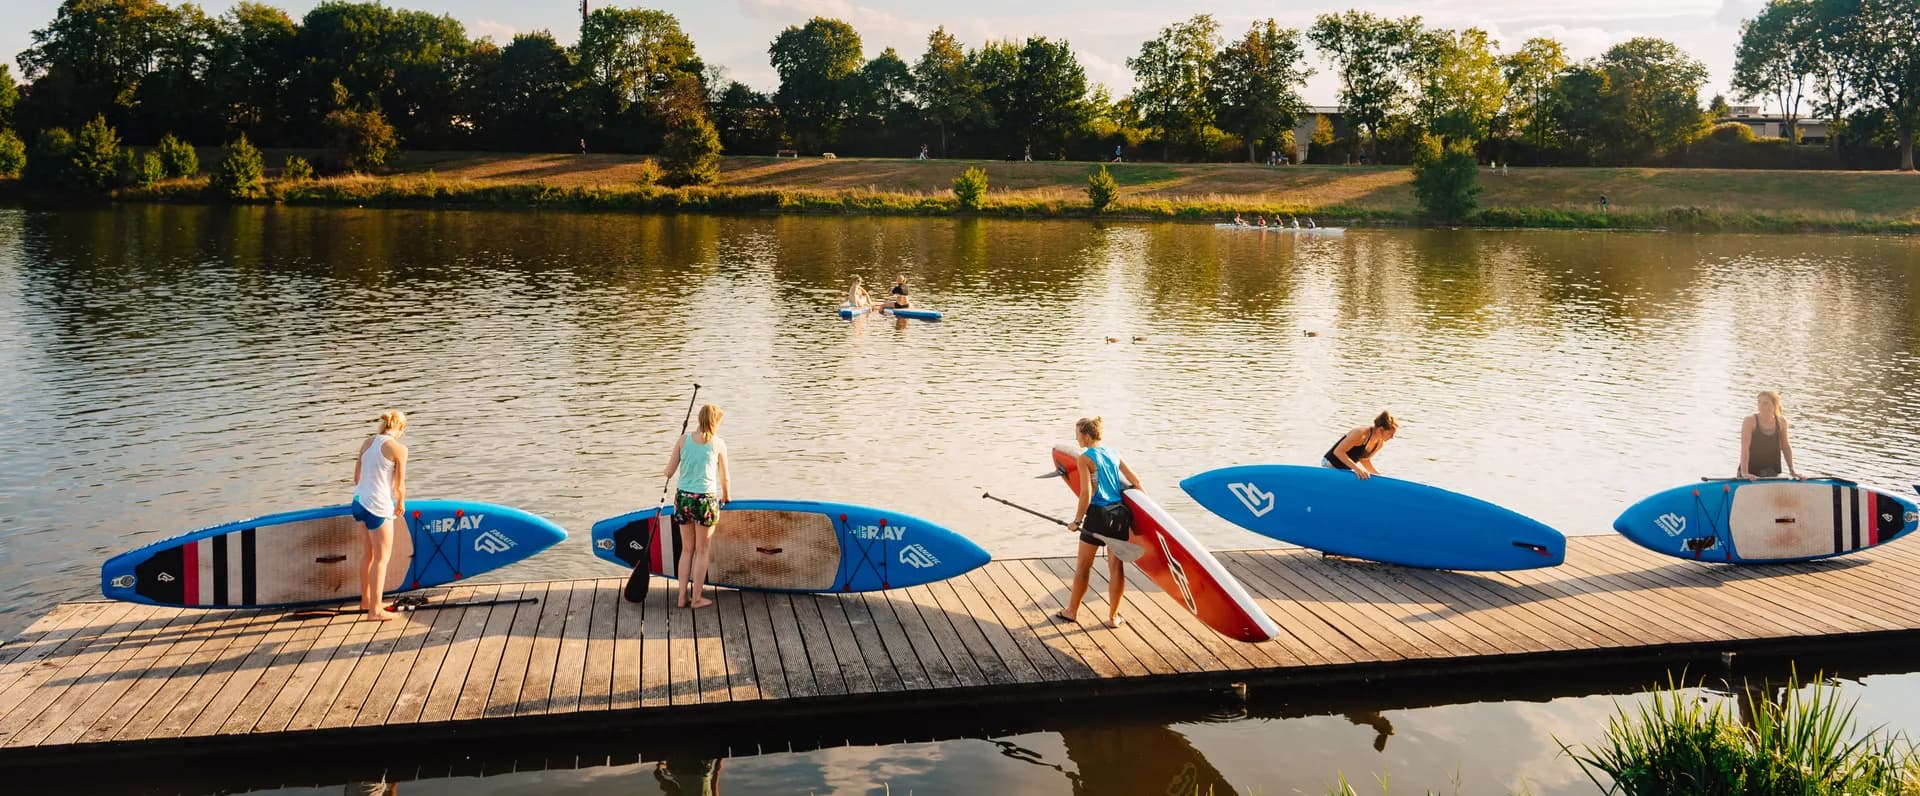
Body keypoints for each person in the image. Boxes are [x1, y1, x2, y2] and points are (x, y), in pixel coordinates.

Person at [1059, 416, 1142, 629]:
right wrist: (1143, 516)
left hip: (1097, 516)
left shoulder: (1085, 458)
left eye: (1077, 434)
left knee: (1083, 567)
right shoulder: (1114, 453)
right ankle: (1113, 617)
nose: (1076, 439)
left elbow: (1086, 494)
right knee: (1116, 568)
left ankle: (1071, 611)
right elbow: (1135, 481)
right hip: (1119, 516)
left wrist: (1077, 521)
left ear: (1086, 436)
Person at [663, 404, 730, 608]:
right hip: (705, 501)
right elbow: (725, 477)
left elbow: (668, 472)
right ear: (715, 422)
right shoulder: (718, 443)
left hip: (683, 499)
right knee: (702, 550)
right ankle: (697, 598)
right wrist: (726, 496)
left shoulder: (683, 440)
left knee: (687, 550)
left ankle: (682, 597)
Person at [351, 411, 408, 622]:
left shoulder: (367, 443)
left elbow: (357, 478)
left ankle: (366, 601)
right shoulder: (399, 449)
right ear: (401, 428)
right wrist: (400, 502)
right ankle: (375, 611)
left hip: (358, 502)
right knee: (381, 559)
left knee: (367, 555)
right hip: (377, 506)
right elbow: (399, 486)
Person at [1739, 390, 1802, 480]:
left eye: (1765, 403)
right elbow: (1745, 448)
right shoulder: (1750, 421)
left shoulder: (1781, 422)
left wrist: (1792, 471)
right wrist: (1745, 473)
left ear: (1775, 405)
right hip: (1750, 473)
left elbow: (1785, 447)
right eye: (1759, 402)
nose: (1761, 406)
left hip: (1771, 472)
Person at [1324, 410, 1397, 480]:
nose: (1392, 437)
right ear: (1380, 429)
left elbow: (1364, 460)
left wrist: (1378, 475)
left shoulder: (1379, 444)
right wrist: (1357, 469)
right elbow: (1338, 452)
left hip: (1345, 470)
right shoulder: (1361, 433)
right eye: (1390, 434)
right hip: (1330, 465)